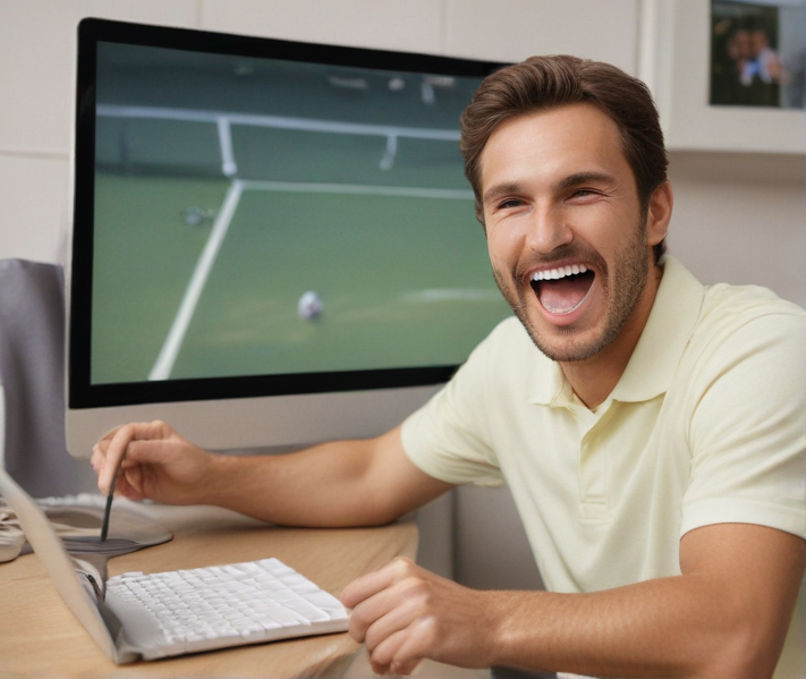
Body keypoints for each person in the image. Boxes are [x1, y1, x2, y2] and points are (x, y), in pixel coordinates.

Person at [91, 55, 806, 679]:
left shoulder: (761, 352)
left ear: (655, 212)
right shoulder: (508, 362)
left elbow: (732, 634)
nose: (547, 233)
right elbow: (370, 474)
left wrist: (486, 621)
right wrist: (208, 474)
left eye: (582, 191)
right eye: (512, 203)